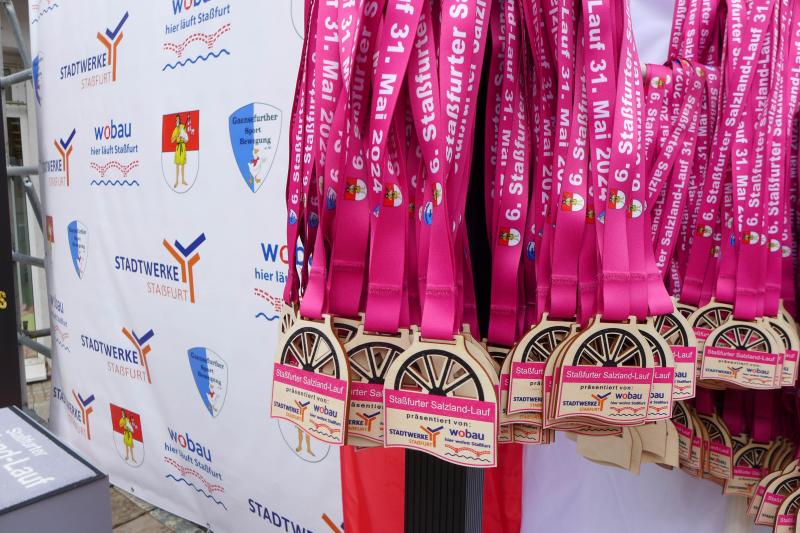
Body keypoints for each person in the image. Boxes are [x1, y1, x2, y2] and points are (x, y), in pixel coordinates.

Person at [170, 114, 188, 188]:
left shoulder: (183, 127)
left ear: (180, 120)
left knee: (182, 165)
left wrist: (183, 138)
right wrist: (176, 136)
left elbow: (186, 139)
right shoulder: (175, 129)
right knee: (177, 165)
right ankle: (177, 181)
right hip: (177, 148)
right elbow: (172, 141)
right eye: (176, 120)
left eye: (178, 119)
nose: (177, 120)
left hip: (182, 147)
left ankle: (183, 180)